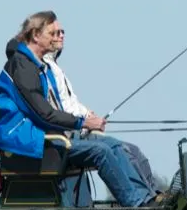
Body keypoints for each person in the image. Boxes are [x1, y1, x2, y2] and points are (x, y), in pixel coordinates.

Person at [0, 10, 163, 209]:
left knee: (114, 146)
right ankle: (136, 206)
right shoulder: (23, 67)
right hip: (30, 142)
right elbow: (43, 114)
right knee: (101, 151)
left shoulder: (35, 65)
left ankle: (147, 199)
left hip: (46, 135)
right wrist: (83, 122)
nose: (58, 38)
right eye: (53, 33)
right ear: (36, 36)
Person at [40, 20, 161, 195]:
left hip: (78, 131)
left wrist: (88, 114)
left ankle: (153, 194)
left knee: (134, 150)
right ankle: (141, 201)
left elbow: (70, 102)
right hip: (69, 137)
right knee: (124, 151)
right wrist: (88, 121)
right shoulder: (45, 68)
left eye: (62, 32)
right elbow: (60, 108)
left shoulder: (55, 67)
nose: (62, 36)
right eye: (56, 33)